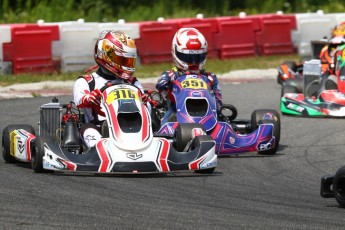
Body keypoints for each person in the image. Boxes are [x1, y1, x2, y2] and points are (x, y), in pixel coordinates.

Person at [73, 30, 147, 148]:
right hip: (100, 130)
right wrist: (89, 98)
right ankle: (97, 149)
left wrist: (145, 102)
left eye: (129, 61)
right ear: (106, 55)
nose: (127, 65)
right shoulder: (87, 81)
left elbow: (145, 107)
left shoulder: (133, 82)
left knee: (152, 120)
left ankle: (148, 143)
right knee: (87, 128)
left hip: (133, 126)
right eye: (123, 61)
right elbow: (79, 99)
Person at [155, 27, 222, 125]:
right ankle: (165, 131)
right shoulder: (170, 75)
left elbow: (218, 101)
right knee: (167, 118)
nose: (193, 62)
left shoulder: (210, 78)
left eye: (198, 57)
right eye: (188, 58)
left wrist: (217, 105)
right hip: (176, 116)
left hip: (208, 116)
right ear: (175, 52)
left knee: (221, 118)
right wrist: (166, 84)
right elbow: (161, 88)